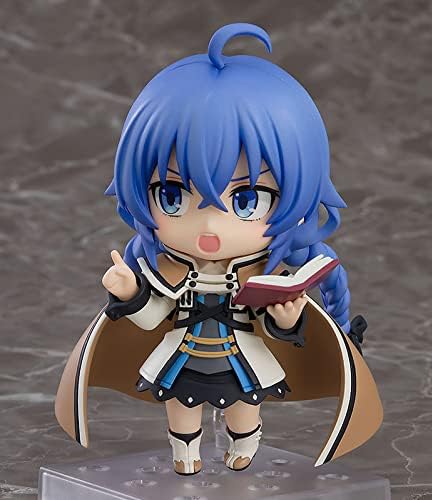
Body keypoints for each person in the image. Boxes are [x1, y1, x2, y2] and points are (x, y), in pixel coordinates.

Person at [55, 23, 382, 476]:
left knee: (245, 409)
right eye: (172, 195)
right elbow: (152, 317)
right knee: (180, 410)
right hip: (181, 355)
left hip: (243, 357)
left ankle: (244, 445)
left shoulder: (261, 276)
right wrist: (130, 294)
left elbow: (271, 327)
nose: (209, 226)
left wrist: (287, 320)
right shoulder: (169, 270)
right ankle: (185, 454)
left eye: (247, 200)